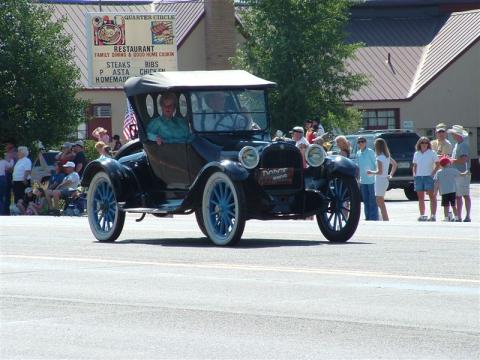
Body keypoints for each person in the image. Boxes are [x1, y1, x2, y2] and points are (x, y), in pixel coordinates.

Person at [367, 138, 397, 221]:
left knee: (380, 201)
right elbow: (394, 164)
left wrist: (370, 172)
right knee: (379, 200)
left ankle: (385, 218)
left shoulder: (380, 157)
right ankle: (383, 217)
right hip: (384, 180)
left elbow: (379, 172)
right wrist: (390, 174)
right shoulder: (387, 156)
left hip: (380, 180)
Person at [448, 125, 471, 222]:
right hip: (457, 173)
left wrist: (451, 161)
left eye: (453, 134)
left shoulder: (463, 145)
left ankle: (467, 216)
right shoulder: (457, 144)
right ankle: (459, 216)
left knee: (465, 195)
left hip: (463, 173)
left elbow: (464, 159)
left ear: (458, 135)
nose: (452, 135)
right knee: (458, 196)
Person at [412, 137, 439, 221]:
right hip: (419, 177)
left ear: (428, 144)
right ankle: (422, 215)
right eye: (422, 142)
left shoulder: (432, 153)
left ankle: (433, 215)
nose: (424, 144)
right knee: (420, 198)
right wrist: (414, 174)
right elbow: (414, 165)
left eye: (426, 142)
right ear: (419, 144)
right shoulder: (417, 153)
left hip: (428, 177)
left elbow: (438, 164)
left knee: (432, 197)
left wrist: (432, 174)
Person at [434, 156, 468, 222]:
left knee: (445, 206)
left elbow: (436, 183)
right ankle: (457, 217)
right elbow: (461, 174)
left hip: (444, 192)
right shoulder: (453, 170)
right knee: (453, 205)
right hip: (452, 191)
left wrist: (435, 191)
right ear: (448, 164)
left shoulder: (439, 172)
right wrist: (466, 172)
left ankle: (446, 218)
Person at [356, 136, 378, 221]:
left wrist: (375, 173)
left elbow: (376, 164)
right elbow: (358, 167)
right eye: (359, 142)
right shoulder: (358, 153)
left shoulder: (370, 152)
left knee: (372, 200)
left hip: (372, 180)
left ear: (365, 143)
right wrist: (357, 179)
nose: (361, 143)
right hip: (363, 180)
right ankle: (368, 217)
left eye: (362, 141)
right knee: (365, 200)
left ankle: (373, 218)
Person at [4, 140, 17, 215]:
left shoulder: (14, 154)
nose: (5, 146)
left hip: (11, 175)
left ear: (11, 145)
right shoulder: (8, 154)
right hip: (8, 175)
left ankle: (13, 210)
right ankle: (6, 211)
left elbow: (13, 166)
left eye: (7, 144)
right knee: (7, 194)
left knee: (12, 193)